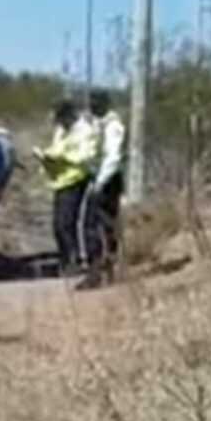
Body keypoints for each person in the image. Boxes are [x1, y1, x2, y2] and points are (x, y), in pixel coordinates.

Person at [34, 99, 97, 275]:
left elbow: (84, 156)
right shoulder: (61, 131)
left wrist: (62, 158)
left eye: (61, 119)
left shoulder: (85, 131)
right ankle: (66, 260)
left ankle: (76, 260)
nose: (59, 124)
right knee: (58, 224)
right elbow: (56, 149)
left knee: (67, 222)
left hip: (78, 179)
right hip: (61, 181)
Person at [78, 89, 126, 290]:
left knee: (92, 225)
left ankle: (97, 271)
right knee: (105, 224)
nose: (91, 106)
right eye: (90, 102)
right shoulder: (97, 125)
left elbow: (113, 157)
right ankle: (107, 269)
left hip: (107, 180)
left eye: (95, 102)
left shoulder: (113, 126)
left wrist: (99, 183)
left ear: (104, 104)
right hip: (100, 177)